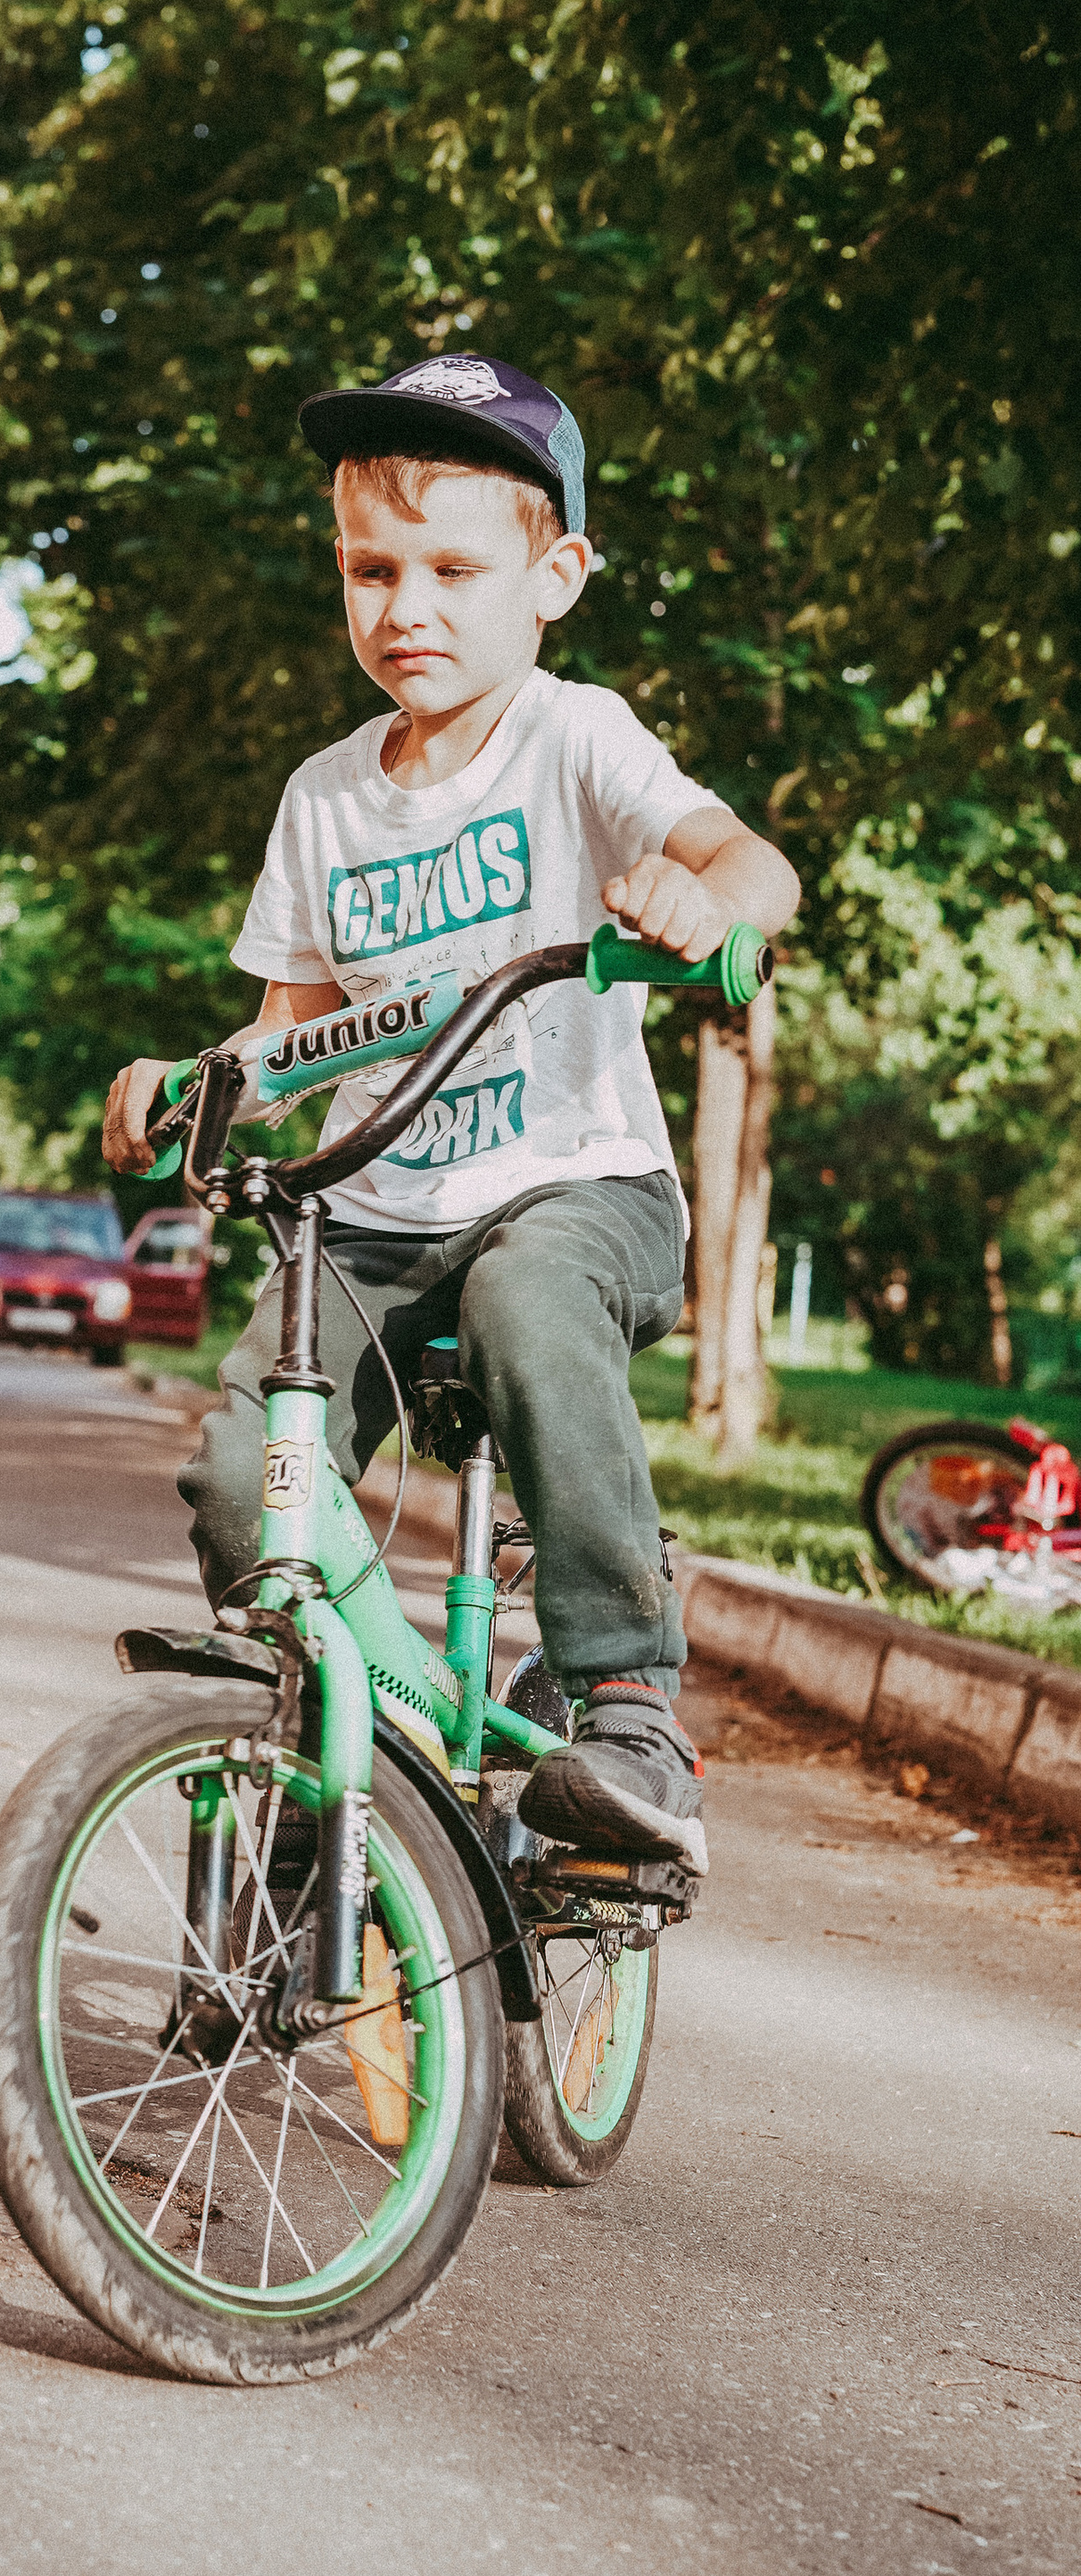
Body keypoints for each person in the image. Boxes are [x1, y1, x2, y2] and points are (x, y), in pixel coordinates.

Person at [103, 352, 800, 1873]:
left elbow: (757, 866)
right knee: (243, 1468)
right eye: (370, 568)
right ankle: (337, 1719)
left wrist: (701, 894)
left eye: (449, 569)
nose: (403, 606)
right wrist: (188, 1083)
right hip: (372, 1209)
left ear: (553, 578)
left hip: (572, 1187)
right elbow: (282, 1039)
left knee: (530, 1304)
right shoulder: (323, 799)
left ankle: (626, 1698)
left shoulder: (576, 736)